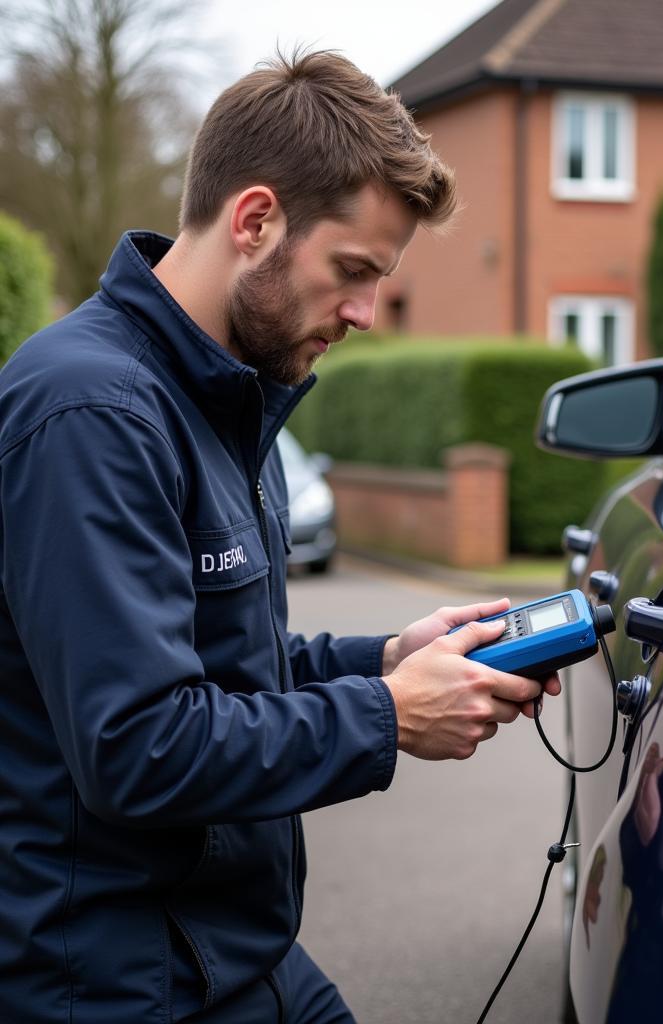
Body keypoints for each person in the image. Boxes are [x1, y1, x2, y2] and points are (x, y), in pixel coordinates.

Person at [0, 50, 559, 1023]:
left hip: (232, 953)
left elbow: (221, 666)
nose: (364, 314)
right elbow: (138, 744)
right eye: (352, 271)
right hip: (115, 985)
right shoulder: (89, 410)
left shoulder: (223, 399)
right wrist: (387, 714)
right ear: (255, 221)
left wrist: (383, 656)